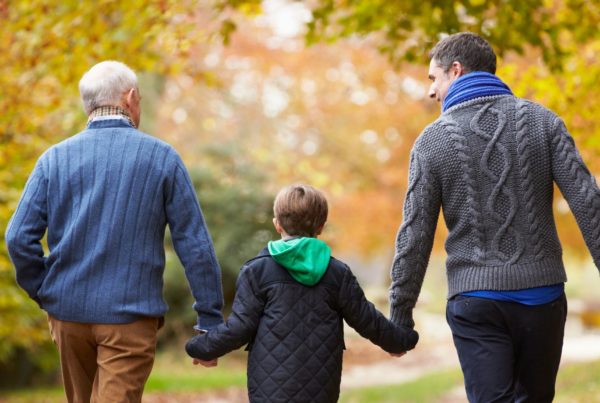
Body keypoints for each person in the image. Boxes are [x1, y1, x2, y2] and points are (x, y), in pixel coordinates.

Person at [389, 32, 600, 402]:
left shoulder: (431, 140)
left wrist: (400, 316)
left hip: (476, 300)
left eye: (433, 78)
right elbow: (588, 202)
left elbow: (415, 234)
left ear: (456, 70)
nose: (431, 91)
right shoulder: (543, 122)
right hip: (542, 298)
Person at [5, 61, 224, 403]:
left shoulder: (54, 159)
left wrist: (46, 290)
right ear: (131, 98)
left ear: (88, 104)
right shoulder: (162, 158)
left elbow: (18, 237)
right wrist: (209, 319)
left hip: (67, 314)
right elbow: (194, 243)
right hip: (130, 316)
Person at [186, 184, 419, 403]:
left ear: (277, 224)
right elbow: (367, 319)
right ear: (321, 226)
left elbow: (239, 327)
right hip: (321, 390)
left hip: (270, 390)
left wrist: (201, 347)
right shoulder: (337, 273)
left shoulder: (257, 271)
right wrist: (399, 341)